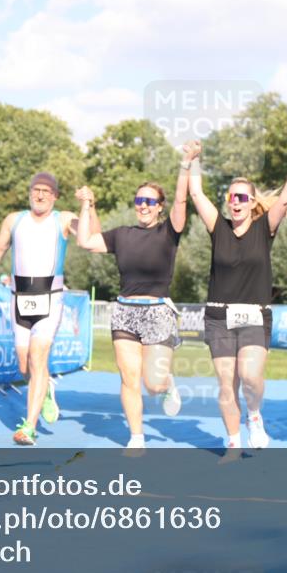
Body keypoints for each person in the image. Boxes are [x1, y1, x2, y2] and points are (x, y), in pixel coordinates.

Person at [188, 138, 287, 449]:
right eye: (231, 197)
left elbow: (284, 200)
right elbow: (196, 193)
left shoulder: (264, 228)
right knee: (226, 384)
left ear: (252, 201)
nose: (236, 202)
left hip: (255, 316)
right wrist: (192, 159)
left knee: (250, 376)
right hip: (218, 316)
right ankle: (233, 443)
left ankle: (254, 415)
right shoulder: (218, 227)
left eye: (242, 197)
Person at [0, 172, 99, 445]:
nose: (40, 194)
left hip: (51, 297)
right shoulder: (14, 220)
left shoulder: (63, 219)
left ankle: (29, 427)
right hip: (19, 298)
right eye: (36, 189)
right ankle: (44, 389)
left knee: (37, 357)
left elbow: (92, 235)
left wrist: (89, 205)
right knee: (25, 364)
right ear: (30, 192)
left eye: (46, 191)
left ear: (55, 196)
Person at [74, 141, 196, 449]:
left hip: (158, 312)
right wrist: (87, 204)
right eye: (139, 200)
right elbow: (85, 241)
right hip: (125, 312)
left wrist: (186, 163)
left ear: (159, 206)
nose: (143, 205)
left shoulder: (169, 232)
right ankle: (137, 437)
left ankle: (167, 383)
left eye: (149, 201)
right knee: (129, 379)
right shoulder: (122, 235)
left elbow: (181, 200)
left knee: (152, 384)